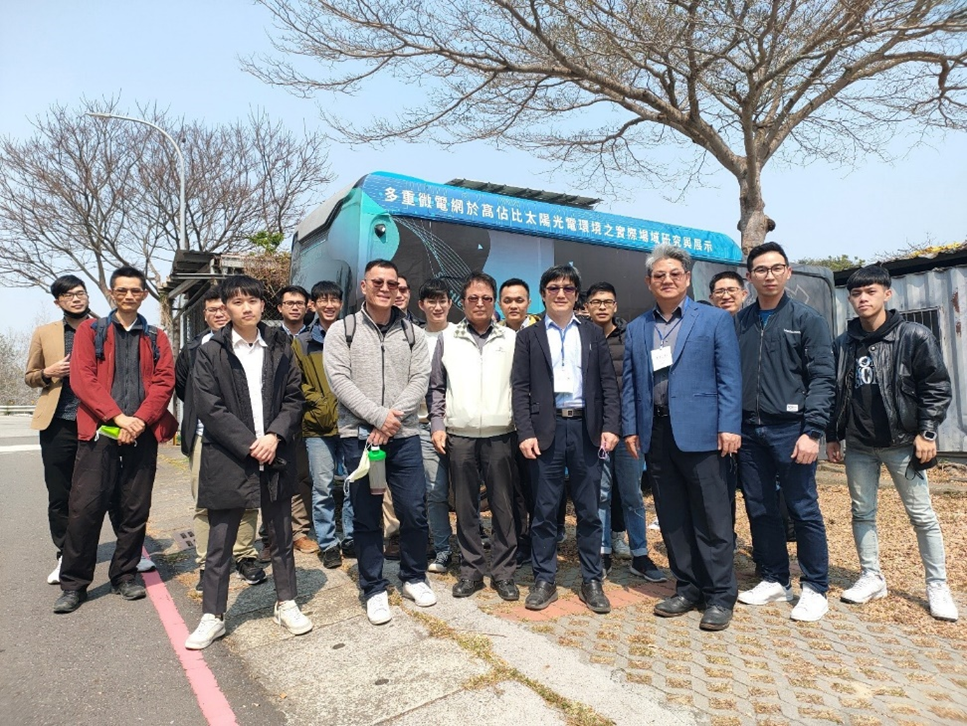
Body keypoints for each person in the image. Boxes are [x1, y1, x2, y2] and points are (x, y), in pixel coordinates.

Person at [185, 275, 312, 649]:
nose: (246, 308)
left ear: (262, 305)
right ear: (225, 307)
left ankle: (286, 602)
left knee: (282, 535)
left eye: (253, 301)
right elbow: (210, 407)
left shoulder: (279, 345)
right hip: (228, 456)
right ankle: (213, 615)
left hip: (275, 452)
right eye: (238, 302)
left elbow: (294, 397)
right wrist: (248, 443)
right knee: (221, 542)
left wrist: (274, 436)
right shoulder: (210, 351)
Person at [827, 265, 958, 622]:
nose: (863, 299)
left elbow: (936, 387)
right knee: (861, 512)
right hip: (859, 445)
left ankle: (937, 584)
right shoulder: (844, 343)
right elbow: (835, 393)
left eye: (870, 292)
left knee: (922, 516)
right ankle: (871, 576)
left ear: (887, 293)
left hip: (903, 442)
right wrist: (832, 434)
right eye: (856, 293)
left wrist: (927, 432)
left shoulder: (913, 336)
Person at [622, 247, 742, 631]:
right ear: (649, 282)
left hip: (705, 433)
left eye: (675, 274)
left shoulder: (714, 319)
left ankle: (721, 594)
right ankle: (688, 587)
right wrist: (630, 427)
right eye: (659, 275)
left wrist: (730, 426)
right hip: (656, 433)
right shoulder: (639, 327)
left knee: (712, 515)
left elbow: (729, 378)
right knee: (672, 516)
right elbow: (630, 383)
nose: (667, 280)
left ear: (687, 279)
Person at [53, 266, 178, 614]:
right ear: (111, 293)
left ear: (143, 295)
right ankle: (74, 584)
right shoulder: (91, 331)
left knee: (135, 509)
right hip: (98, 434)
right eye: (121, 290)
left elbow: (164, 383)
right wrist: (117, 417)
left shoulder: (156, 337)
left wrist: (138, 420)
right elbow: (83, 380)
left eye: (135, 291)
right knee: (85, 508)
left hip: (142, 432)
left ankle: (124, 575)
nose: (128, 296)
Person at [324, 259, 436, 625]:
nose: (385, 288)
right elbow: (339, 381)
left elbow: (420, 379)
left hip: (403, 437)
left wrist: (389, 421)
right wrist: (377, 417)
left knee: (414, 510)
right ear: (364, 286)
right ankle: (373, 587)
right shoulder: (344, 331)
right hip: (360, 439)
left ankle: (413, 576)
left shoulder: (413, 334)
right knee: (367, 516)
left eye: (392, 283)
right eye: (378, 282)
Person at [511, 264, 619, 614]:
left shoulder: (592, 334)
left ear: (577, 295)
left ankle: (591, 580)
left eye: (569, 288)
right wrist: (525, 431)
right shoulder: (528, 336)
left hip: (586, 430)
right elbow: (521, 388)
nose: (561, 293)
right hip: (546, 432)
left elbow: (608, 386)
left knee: (589, 511)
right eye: (554, 288)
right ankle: (545, 579)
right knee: (543, 511)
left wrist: (610, 425)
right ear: (543, 294)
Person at [736, 242, 835, 622]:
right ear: (750, 276)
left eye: (777, 268)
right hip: (748, 431)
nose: (769, 275)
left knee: (802, 507)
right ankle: (776, 579)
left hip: (792, 430)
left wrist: (813, 432)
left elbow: (823, 379)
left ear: (788, 272)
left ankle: (815, 587)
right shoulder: (741, 322)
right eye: (761, 269)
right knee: (759, 508)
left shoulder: (807, 320)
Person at [430, 272, 519, 600]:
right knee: (465, 507)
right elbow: (436, 386)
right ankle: (470, 571)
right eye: (472, 299)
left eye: (486, 298)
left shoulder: (510, 339)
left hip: (501, 435)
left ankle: (504, 572)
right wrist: (437, 425)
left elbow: (520, 387)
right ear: (461, 302)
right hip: (460, 436)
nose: (479, 304)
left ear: (494, 301)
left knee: (503, 507)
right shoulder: (448, 338)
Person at [176, 287, 266, 591]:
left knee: (249, 499)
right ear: (205, 314)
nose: (218, 314)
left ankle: (244, 555)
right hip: (205, 436)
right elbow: (183, 389)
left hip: (248, 437)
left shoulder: (249, 344)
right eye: (212, 309)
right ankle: (207, 563)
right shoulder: (192, 349)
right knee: (205, 502)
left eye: (222, 308)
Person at [585, 282, 665, 582]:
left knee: (632, 495)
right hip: (595, 432)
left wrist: (633, 426)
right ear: (587, 307)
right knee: (601, 495)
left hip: (628, 431)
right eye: (596, 302)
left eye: (607, 302)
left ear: (615, 306)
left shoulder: (631, 336)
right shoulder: (583, 337)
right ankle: (603, 552)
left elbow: (639, 383)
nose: (602, 307)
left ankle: (640, 554)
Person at [26, 275, 95, 584]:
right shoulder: (45, 333)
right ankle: (65, 554)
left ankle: (127, 554)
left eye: (80, 293)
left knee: (109, 490)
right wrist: (47, 372)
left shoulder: (105, 327)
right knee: (60, 492)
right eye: (68, 296)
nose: (76, 299)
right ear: (58, 302)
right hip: (57, 422)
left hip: (98, 420)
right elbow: (29, 376)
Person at [293, 280, 355, 569]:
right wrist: (321, 402)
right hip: (317, 426)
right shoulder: (302, 342)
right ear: (313, 305)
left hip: (351, 422)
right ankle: (328, 542)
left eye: (334, 300)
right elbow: (296, 384)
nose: (329, 305)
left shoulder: (352, 335)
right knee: (322, 486)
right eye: (323, 300)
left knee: (355, 483)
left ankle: (352, 536)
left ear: (341, 304)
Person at [270, 284, 318, 555]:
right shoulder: (271, 337)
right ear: (280, 308)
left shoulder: (316, 336)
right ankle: (271, 535)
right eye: (289, 303)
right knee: (272, 474)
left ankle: (300, 531)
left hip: (307, 415)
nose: (295, 307)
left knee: (302, 475)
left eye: (300, 303)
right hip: (276, 416)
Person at [417, 278, 455, 573]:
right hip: (422, 426)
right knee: (435, 491)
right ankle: (443, 549)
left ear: (450, 303)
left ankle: (471, 543)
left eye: (442, 300)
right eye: (431, 301)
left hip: (460, 426)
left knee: (469, 493)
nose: (437, 306)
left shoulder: (461, 335)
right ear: (422, 305)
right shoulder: (413, 338)